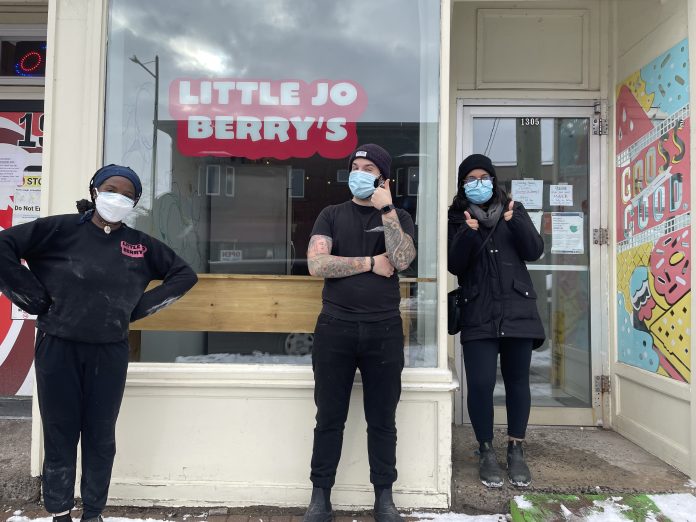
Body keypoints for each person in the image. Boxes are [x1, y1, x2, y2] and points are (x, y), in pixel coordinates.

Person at [0, 165, 198, 522]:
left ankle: (93, 513)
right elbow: (3, 247)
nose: (118, 198)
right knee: (60, 434)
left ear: (135, 202)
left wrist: (134, 310)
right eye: (111, 189)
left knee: (100, 436)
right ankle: (60, 511)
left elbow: (185, 275)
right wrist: (33, 297)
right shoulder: (58, 230)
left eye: (127, 194)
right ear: (94, 190)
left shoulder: (139, 245)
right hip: (57, 346)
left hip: (109, 350)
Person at [303, 144, 416, 522]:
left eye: (369, 168)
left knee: (382, 419)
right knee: (329, 417)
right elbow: (317, 264)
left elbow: (401, 260)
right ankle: (320, 497)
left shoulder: (397, 217)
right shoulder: (331, 214)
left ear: (383, 177)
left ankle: (384, 497)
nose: (360, 172)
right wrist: (370, 262)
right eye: (355, 166)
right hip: (335, 328)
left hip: (383, 331)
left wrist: (386, 210)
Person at [447, 154, 545, 488]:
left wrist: (515, 220)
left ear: (493, 180)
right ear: (463, 184)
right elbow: (455, 265)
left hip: (518, 309)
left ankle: (516, 449)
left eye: (484, 177)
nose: (478, 183)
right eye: (471, 178)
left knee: (518, 382)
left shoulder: (514, 210)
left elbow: (534, 251)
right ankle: (486, 449)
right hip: (478, 312)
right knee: (481, 384)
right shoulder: (456, 217)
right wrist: (468, 234)